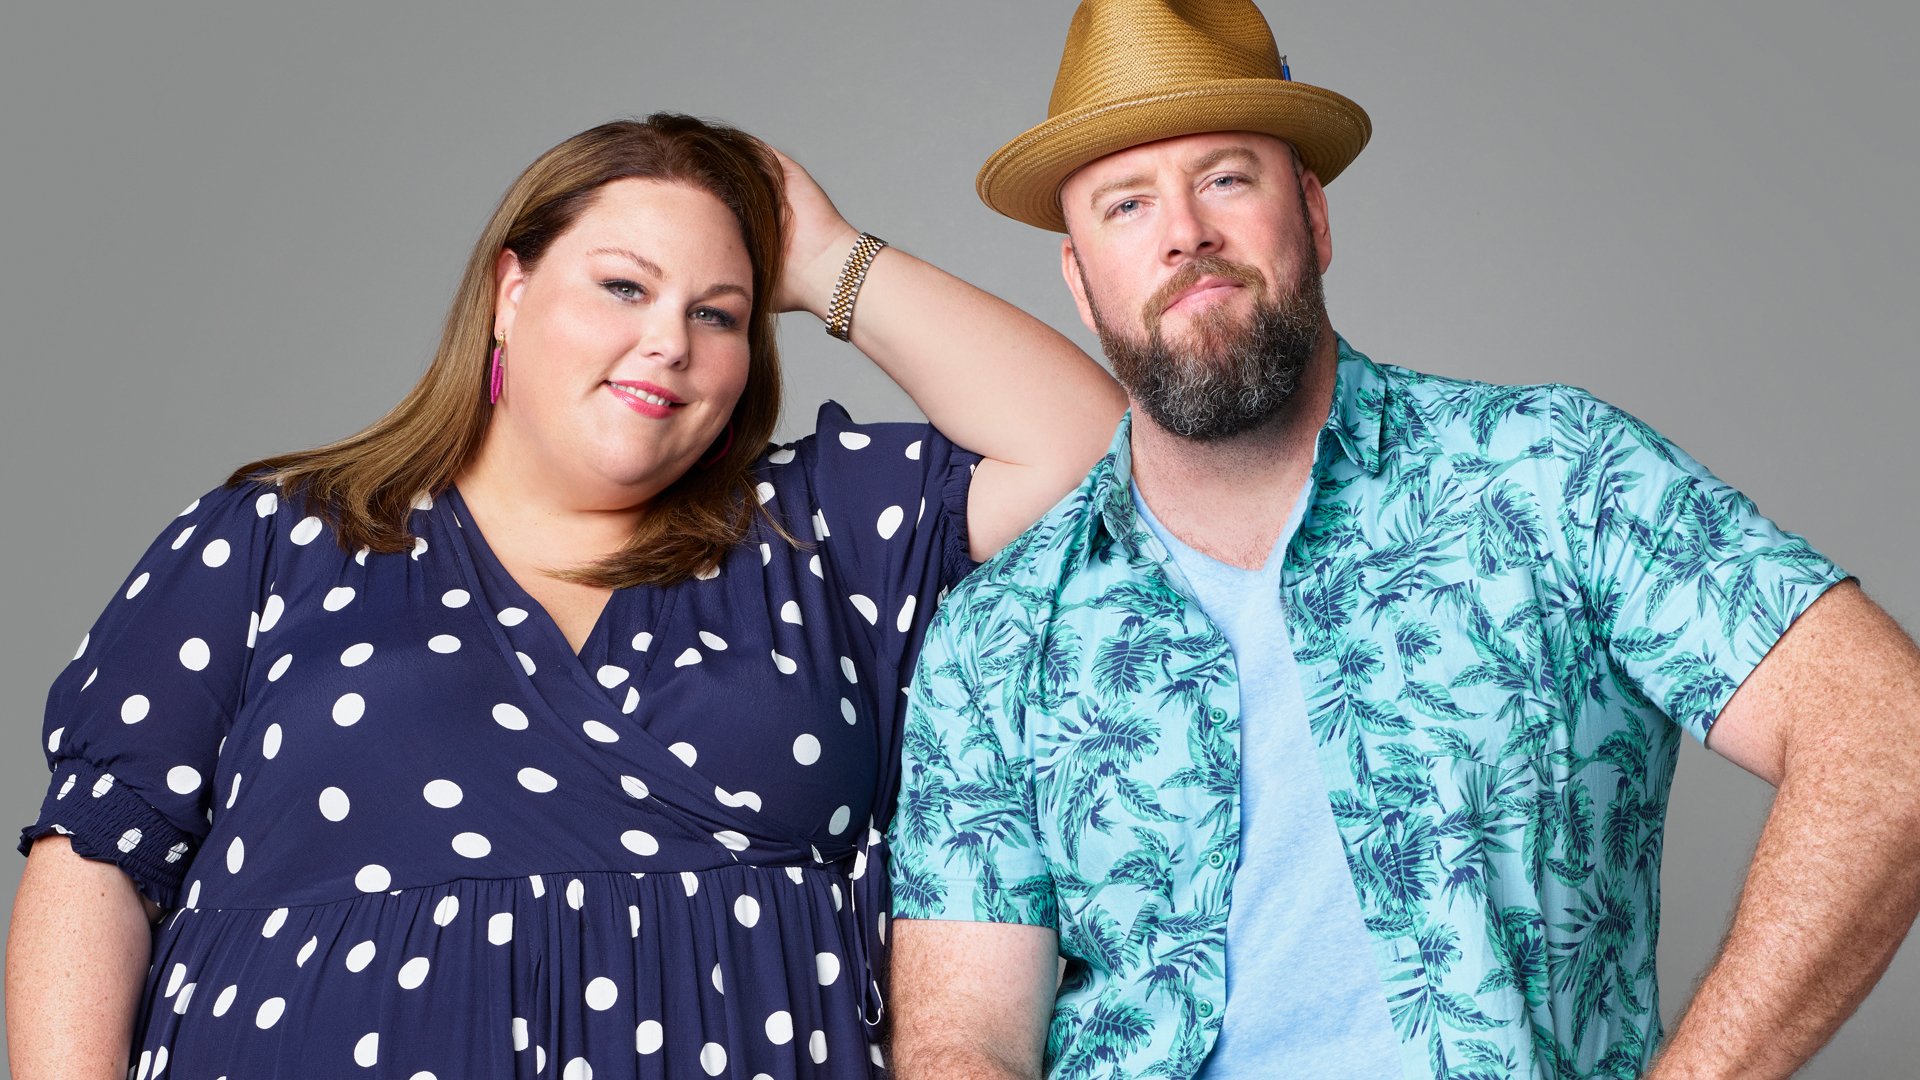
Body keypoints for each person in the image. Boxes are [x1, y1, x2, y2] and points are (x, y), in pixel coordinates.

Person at [884, 2, 1920, 1078]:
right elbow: (965, 1038)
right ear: (1079, 278)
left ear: (1314, 215)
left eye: (1227, 178)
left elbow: (1888, 735)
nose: (1184, 233)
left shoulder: (1553, 475)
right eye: (1128, 203)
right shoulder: (997, 635)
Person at [7, 113, 1125, 1079]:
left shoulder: (814, 530)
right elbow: (96, 864)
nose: (667, 342)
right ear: (511, 291)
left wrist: (830, 257)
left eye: (719, 313)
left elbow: (1090, 451)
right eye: (625, 286)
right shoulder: (273, 539)